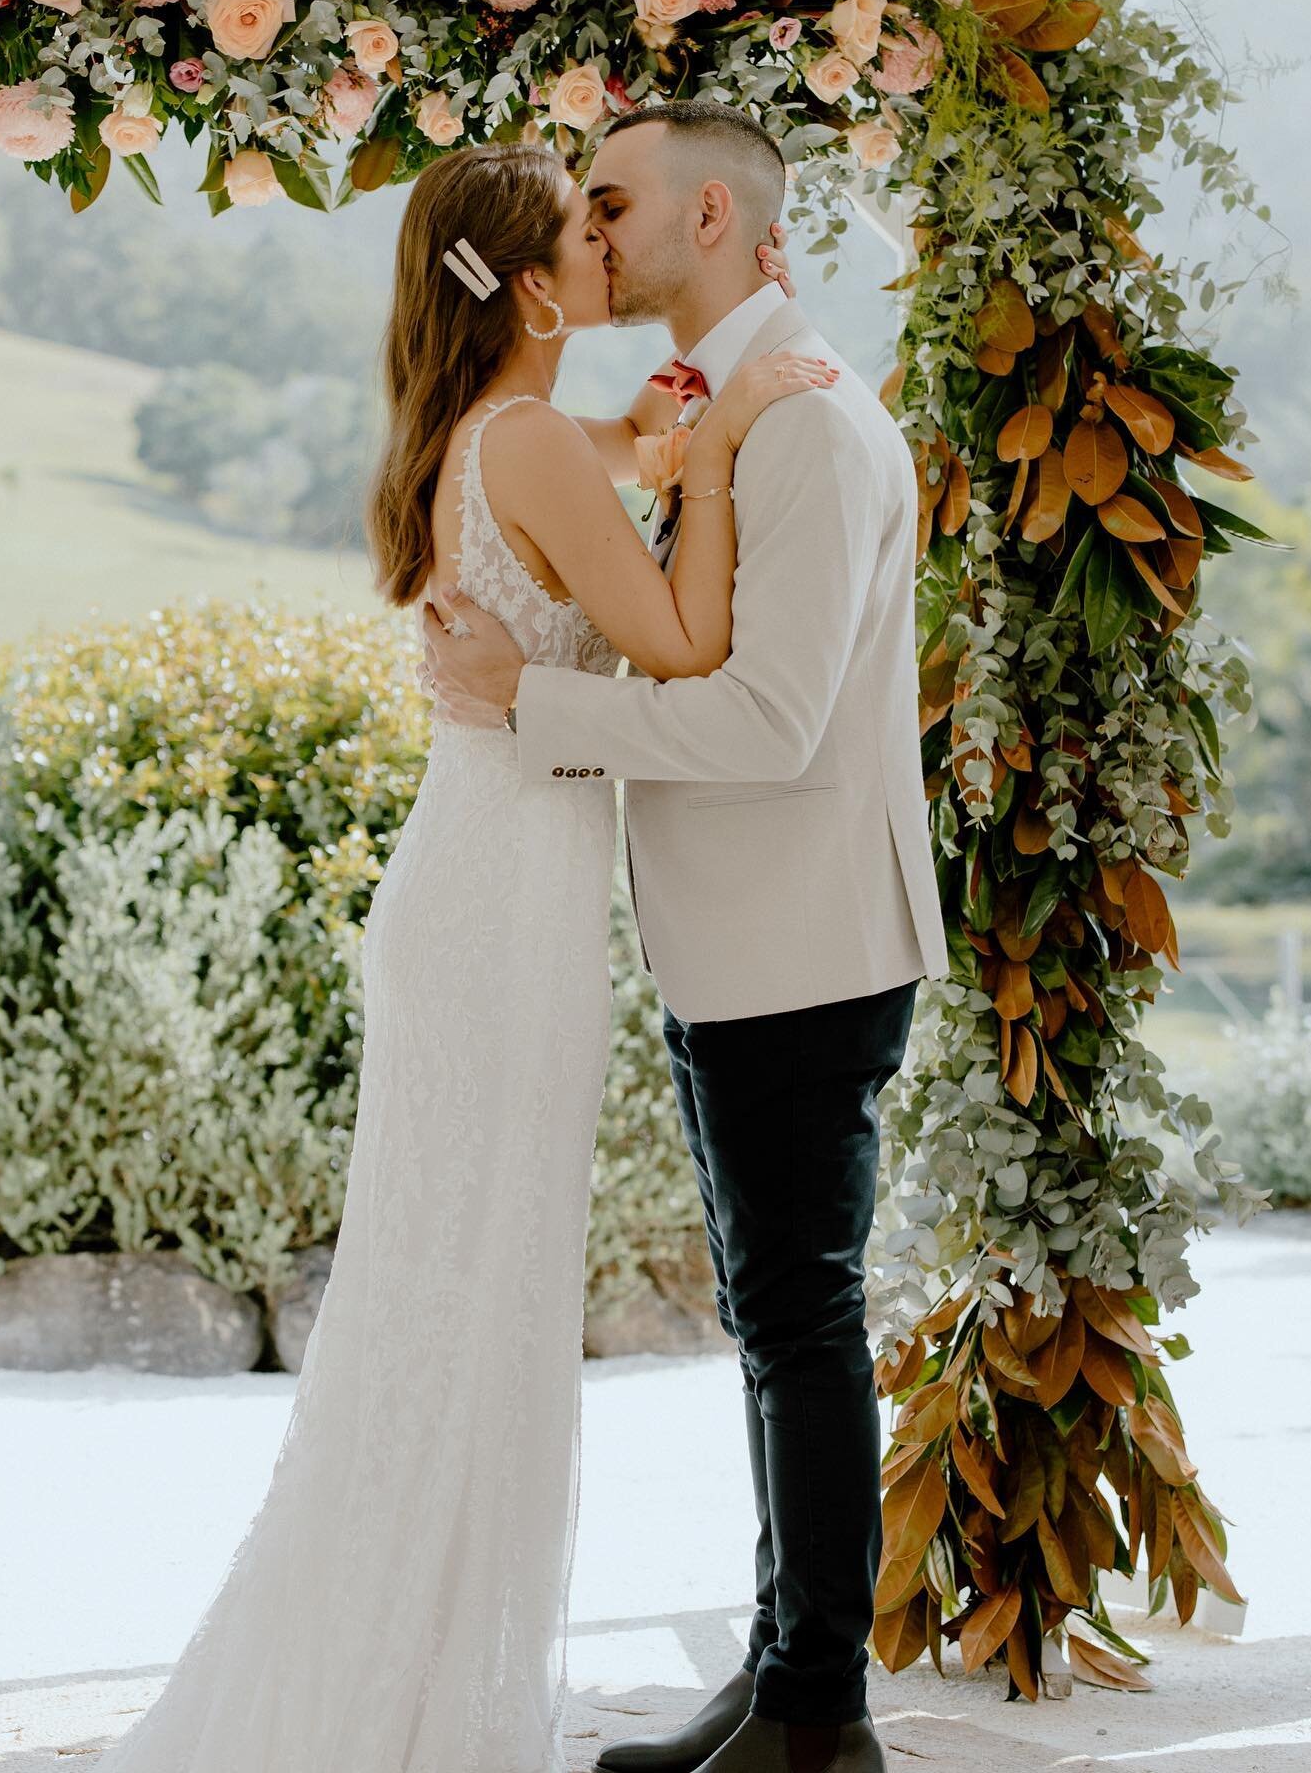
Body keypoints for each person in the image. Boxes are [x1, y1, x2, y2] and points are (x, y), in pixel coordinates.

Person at [81, 139, 823, 1773]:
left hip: (480, 893)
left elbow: (623, 447)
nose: (608, 251)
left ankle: (388, 1672)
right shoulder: (535, 443)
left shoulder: (495, 432)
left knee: (443, 1291)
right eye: (583, 229)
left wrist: (680, 422)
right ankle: (401, 1705)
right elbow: (689, 645)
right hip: (503, 916)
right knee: (469, 1297)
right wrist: (725, 455)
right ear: (538, 287)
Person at [422, 101, 949, 1773]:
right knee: (775, 1313)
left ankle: (817, 1713)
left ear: (711, 214)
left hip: (799, 940)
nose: (595, 228)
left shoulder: (802, 428)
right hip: (745, 936)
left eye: (615, 200)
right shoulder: (744, 407)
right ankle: (781, 1664)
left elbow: (772, 723)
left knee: (799, 1315)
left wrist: (534, 703)